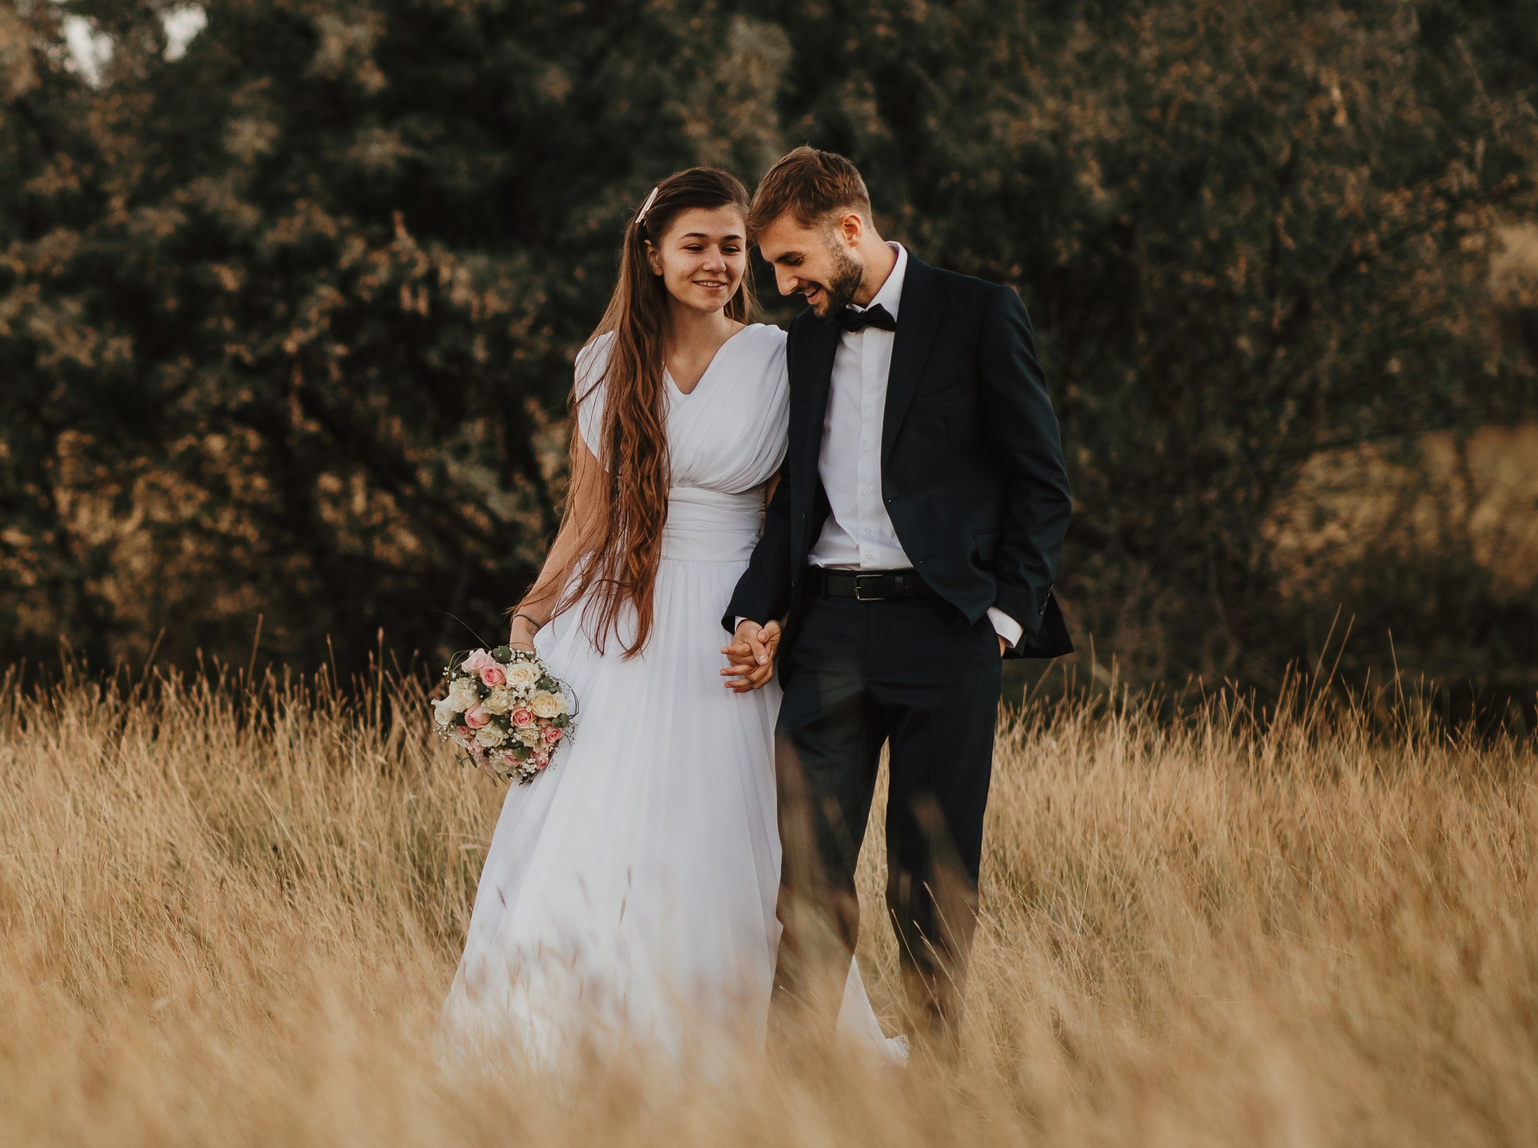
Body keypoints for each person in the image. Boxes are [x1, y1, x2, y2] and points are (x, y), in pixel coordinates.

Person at [442, 167, 904, 1070]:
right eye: (696, 245)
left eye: (732, 247)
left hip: (731, 625)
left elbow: (793, 517)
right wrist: (527, 623)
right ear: (652, 254)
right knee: (592, 833)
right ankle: (584, 1044)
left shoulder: (779, 357)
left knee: (728, 837)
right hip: (615, 623)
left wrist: (774, 624)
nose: (718, 263)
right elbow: (587, 518)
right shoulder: (604, 364)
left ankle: (737, 1050)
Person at [721, 148, 1071, 1056]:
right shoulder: (805, 338)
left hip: (948, 631)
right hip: (828, 632)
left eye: (792, 260)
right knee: (809, 879)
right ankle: (794, 1093)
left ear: (849, 228)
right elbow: (792, 501)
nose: (783, 284)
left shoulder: (979, 312)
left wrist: (1002, 621)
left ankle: (935, 1089)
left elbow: (1042, 482)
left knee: (932, 878)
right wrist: (756, 609)